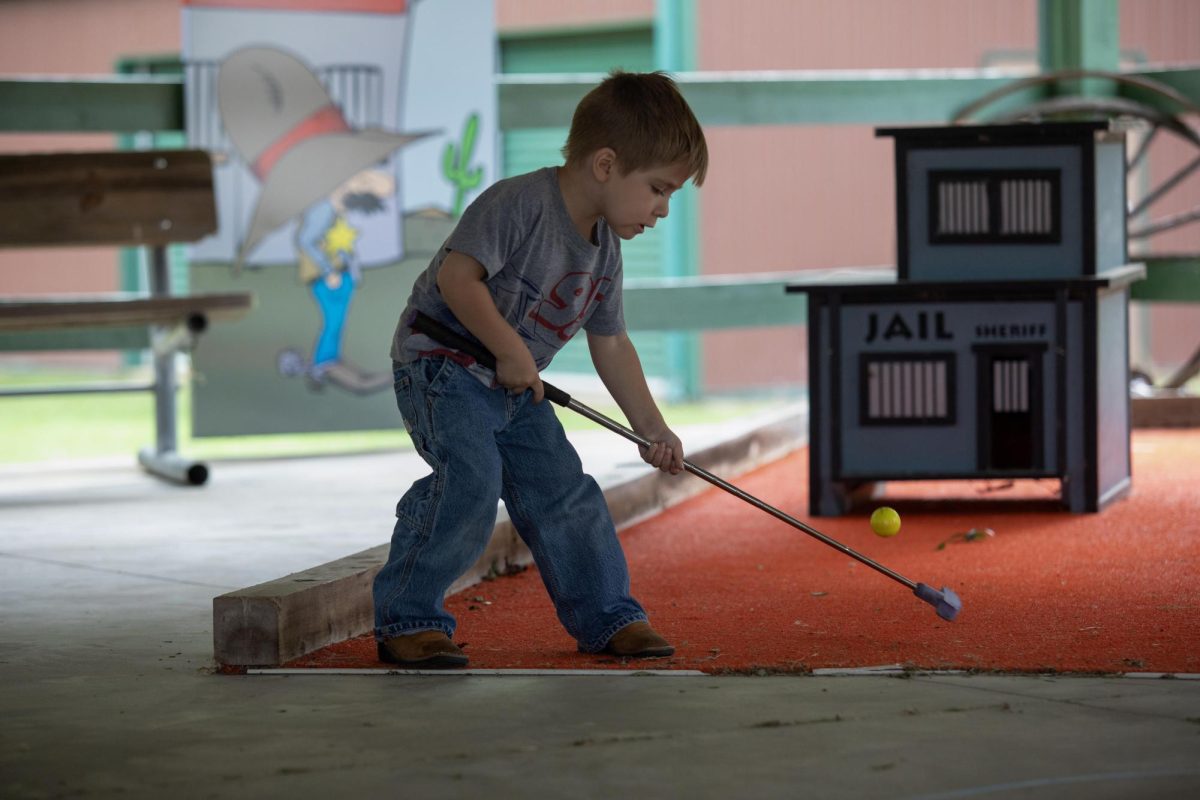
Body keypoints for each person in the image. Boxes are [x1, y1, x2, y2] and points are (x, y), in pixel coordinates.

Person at [373, 70, 708, 668]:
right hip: (441, 367)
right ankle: (410, 617)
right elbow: (456, 277)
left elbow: (611, 344)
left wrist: (652, 427)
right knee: (470, 480)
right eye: (659, 189)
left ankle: (609, 618)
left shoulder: (605, 249)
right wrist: (508, 347)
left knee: (565, 493)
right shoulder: (520, 203)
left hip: (512, 386)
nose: (661, 210)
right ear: (605, 164)